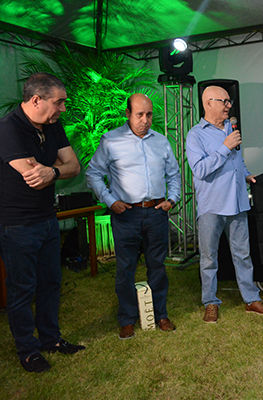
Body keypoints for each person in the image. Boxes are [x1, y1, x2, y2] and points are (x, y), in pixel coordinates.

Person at [0, 72, 84, 373]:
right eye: (58, 102)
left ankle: (51, 339)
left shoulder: (52, 125)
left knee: (50, 283)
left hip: (47, 219)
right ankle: (28, 350)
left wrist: (54, 171)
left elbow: (73, 166)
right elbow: (33, 176)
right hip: (17, 225)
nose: (63, 108)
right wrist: (54, 167)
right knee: (22, 288)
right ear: (36, 100)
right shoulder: (8, 129)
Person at [86, 93, 181, 340]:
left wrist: (172, 199)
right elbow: (93, 173)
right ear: (128, 114)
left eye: (149, 115)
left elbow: (174, 174)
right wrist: (110, 201)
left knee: (157, 266)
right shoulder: (111, 141)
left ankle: (160, 315)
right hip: (126, 214)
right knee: (125, 267)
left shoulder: (161, 141)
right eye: (139, 114)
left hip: (157, 212)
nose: (145, 120)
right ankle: (127, 319)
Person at [186, 85, 263, 323]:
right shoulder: (195, 135)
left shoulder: (231, 128)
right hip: (212, 206)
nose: (229, 106)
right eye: (224, 101)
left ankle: (251, 299)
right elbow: (200, 170)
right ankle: (210, 302)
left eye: (229, 101)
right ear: (208, 103)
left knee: (243, 255)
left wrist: (246, 174)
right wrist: (225, 147)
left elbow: (238, 161)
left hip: (237, 203)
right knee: (209, 258)